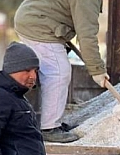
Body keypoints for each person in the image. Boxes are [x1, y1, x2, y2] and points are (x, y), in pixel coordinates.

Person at [13, 0, 108, 143]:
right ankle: (49, 128)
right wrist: (97, 69)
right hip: (38, 25)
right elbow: (87, 35)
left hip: (33, 19)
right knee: (58, 73)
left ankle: (49, 123)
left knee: (51, 72)